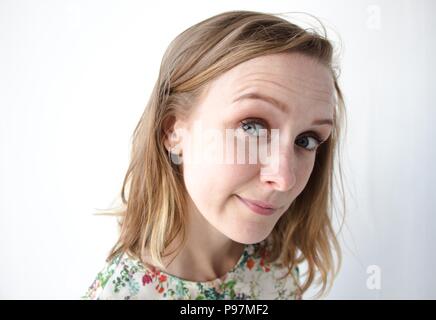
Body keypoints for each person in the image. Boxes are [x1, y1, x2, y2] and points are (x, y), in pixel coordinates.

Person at [82, 10, 346, 300]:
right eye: (252, 127)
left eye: (306, 140)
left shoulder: (275, 268)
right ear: (173, 131)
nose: (284, 178)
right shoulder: (122, 294)